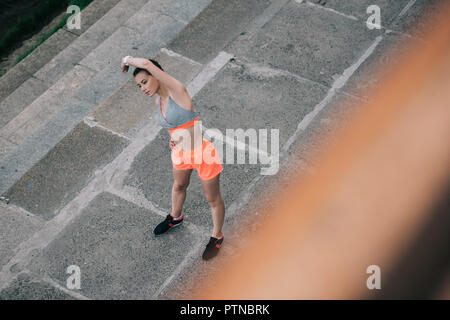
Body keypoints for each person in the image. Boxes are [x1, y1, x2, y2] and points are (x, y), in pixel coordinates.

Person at [121, 56, 225, 260]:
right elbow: (175, 126)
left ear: (157, 75)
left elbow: (149, 65)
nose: (142, 88)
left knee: (212, 199)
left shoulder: (178, 91)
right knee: (178, 187)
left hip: (202, 154)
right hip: (180, 154)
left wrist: (127, 60)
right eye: (139, 86)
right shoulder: (158, 101)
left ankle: (217, 236)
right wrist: (174, 140)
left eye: (145, 81)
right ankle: (175, 217)